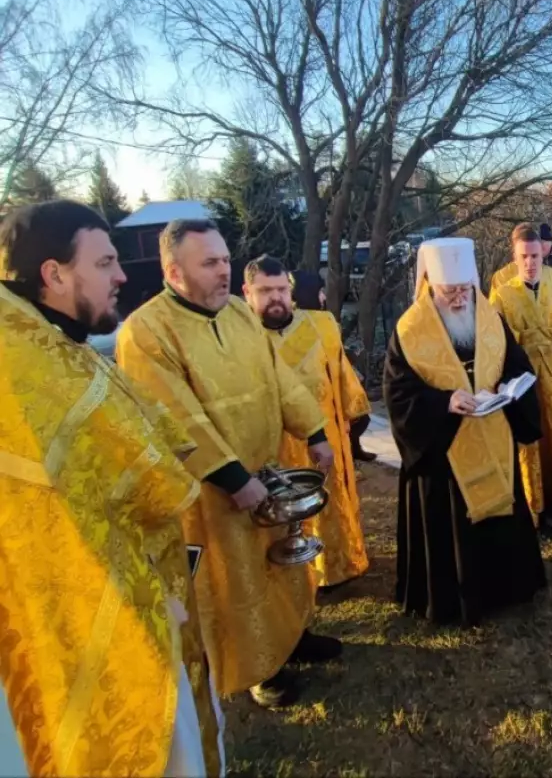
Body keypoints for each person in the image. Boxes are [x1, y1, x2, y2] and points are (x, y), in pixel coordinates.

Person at [0, 201, 224, 777]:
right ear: (54, 274)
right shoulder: (29, 365)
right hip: (96, 614)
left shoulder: (54, 343)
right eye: (104, 263)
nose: (122, 275)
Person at [116, 218, 340, 709]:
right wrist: (232, 478)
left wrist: (317, 433)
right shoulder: (145, 333)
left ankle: (292, 638)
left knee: (283, 562)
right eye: (210, 263)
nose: (224, 271)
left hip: (273, 471)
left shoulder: (239, 313)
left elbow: (280, 379)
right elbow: (173, 417)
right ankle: (258, 667)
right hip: (217, 491)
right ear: (175, 272)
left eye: (225, 259)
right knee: (236, 578)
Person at [383, 237, 546, 623]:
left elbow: (515, 363)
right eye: (449, 292)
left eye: (464, 290)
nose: (459, 300)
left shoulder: (488, 316)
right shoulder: (409, 329)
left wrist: (508, 389)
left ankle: (507, 588)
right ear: (428, 286)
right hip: (443, 452)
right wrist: (443, 402)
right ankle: (456, 599)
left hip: (493, 434)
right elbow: (399, 394)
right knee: (451, 527)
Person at [244, 256, 373, 589]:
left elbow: (342, 374)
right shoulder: (241, 338)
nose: (275, 297)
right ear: (248, 294)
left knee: (333, 502)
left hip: (327, 438)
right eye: (265, 291)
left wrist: (350, 418)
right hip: (274, 448)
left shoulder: (322, 324)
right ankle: (295, 572)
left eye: (281, 289)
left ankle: (340, 566)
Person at [490, 222, 552, 521]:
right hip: (519, 378)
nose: (531, 263)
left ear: (542, 253)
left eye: (535, 256)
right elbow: (495, 338)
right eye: (524, 257)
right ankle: (532, 501)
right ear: (515, 255)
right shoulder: (502, 291)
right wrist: (496, 380)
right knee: (528, 438)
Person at [290, 269, 377, 463]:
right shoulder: (322, 321)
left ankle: (354, 448)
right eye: (319, 291)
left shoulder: (286, 324)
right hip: (325, 399)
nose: (322, 296)